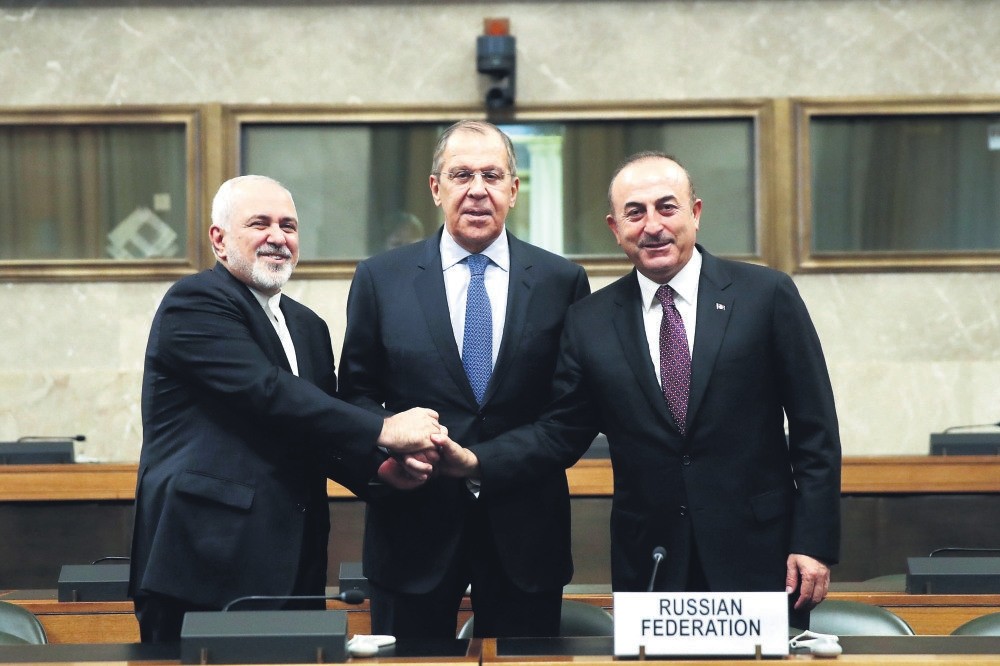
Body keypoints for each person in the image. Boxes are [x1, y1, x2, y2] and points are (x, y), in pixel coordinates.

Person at [432, 152, 842, 629]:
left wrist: (813, 542)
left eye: (667, 207)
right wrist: (475, 460)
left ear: (695, 213)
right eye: (635, 213)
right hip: (652, 560)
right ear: (615, 227)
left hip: (761, 556)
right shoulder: (590, 321)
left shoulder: (766, 295)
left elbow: (816, 430)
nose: (653, 226)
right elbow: (560, 431)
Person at [129, 175, 441, 643]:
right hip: (204, 562)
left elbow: (318, 429)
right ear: (219, 239)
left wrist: (380, 469)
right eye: (260, 224)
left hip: (294, 561)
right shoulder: (194, 303)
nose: (278, 237)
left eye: (288, 226)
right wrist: (385, 428)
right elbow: (269, 392)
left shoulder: (307, 326)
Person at [338, 120, 591, 638]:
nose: (477, 190)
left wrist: (481, 462)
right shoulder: (380, 279)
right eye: (461, 175)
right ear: (436, 188)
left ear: (513, 190)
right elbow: (355, 396)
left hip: (526, 535)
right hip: (412, 533)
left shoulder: (561, 282)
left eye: (492, 175)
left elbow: (571, 414)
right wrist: (392, 445)